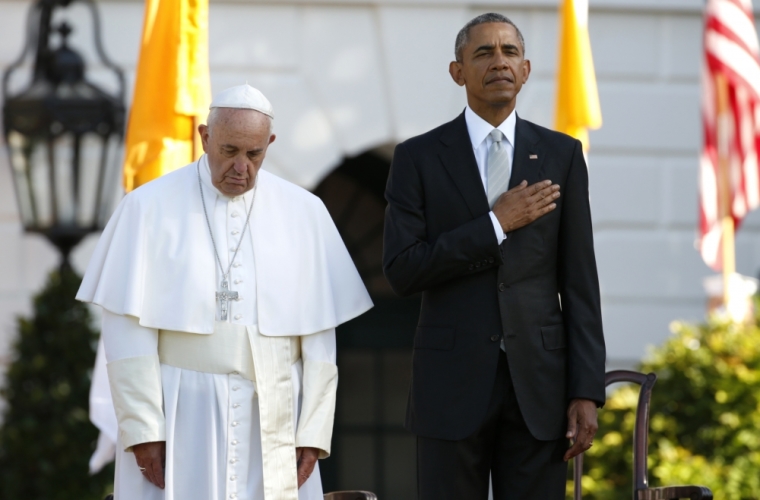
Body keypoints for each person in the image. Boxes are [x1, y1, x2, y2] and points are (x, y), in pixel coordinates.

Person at [77, 84, 373, 500]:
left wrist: (313, 429)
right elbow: (126, 331)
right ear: (205, 137)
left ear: (269, 144)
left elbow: (319, 339)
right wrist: (144, 429)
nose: (241, 167)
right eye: (229, 150)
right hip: (181, 410)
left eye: (254, 155)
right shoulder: (146, 207)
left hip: (275, 409)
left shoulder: (305, 212)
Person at [382, 13, 606, 499]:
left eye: (509, 52)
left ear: (526, 71)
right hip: (449, 387)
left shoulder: (562, 155)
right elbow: (402, 270)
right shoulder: (417, 158)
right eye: (483, 52)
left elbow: (581, 282)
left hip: (540, 390)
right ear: (457, 71)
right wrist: (494, 225)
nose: (498, 61)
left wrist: (585, 390)